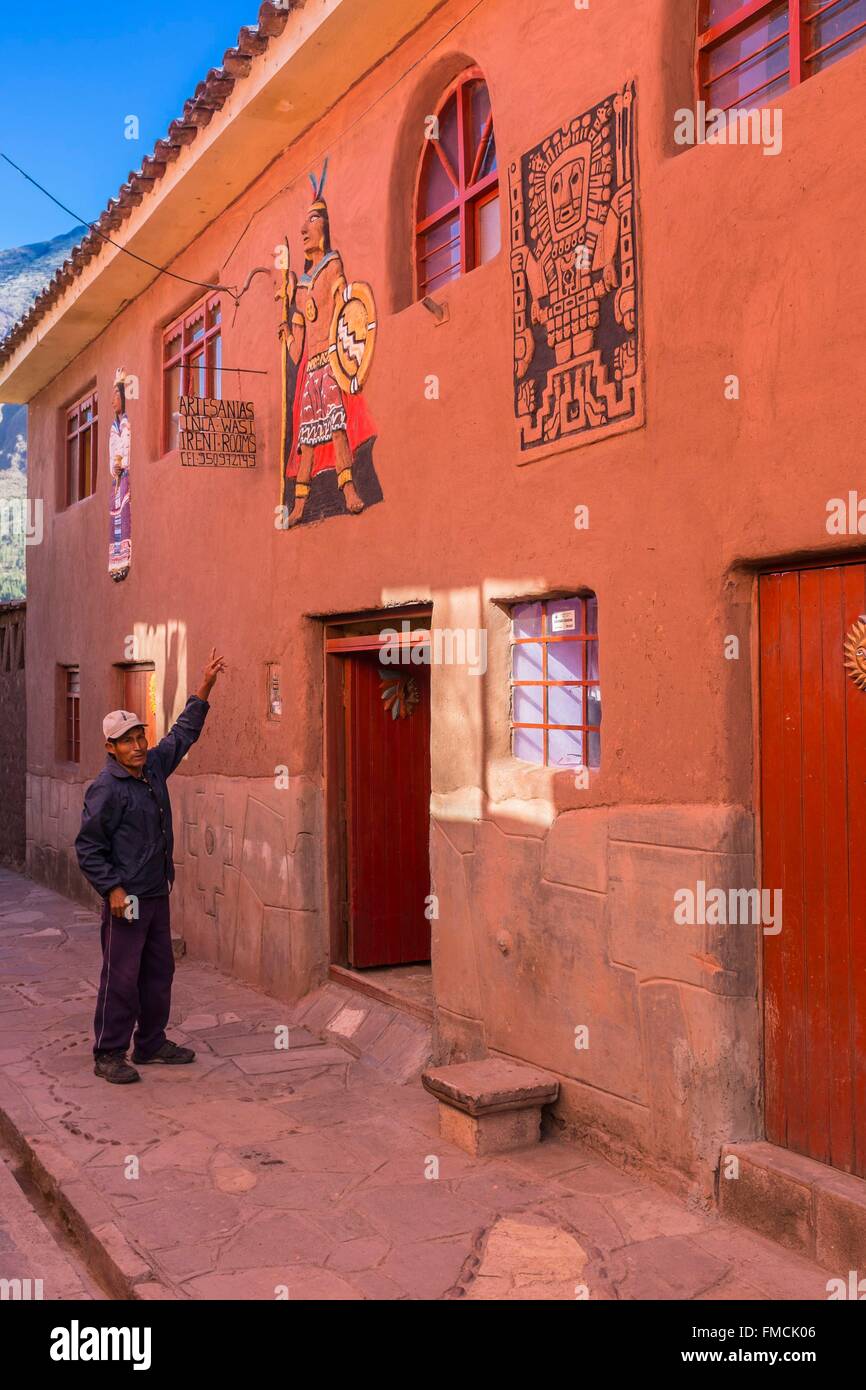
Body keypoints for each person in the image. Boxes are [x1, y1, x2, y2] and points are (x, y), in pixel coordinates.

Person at [75, 649, 227, 1084]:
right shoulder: (106, 789)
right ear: (111, 747)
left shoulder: (153, 767)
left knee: (160, 969)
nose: (138, 746)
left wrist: (205, 686)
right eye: (128, 741)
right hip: (129, 899)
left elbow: (182, 734)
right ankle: (108, 1053)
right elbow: (88, 847)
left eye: (140, 737)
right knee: (122, 974)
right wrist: (114, 890)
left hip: (156, 891)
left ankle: (151, 1043)